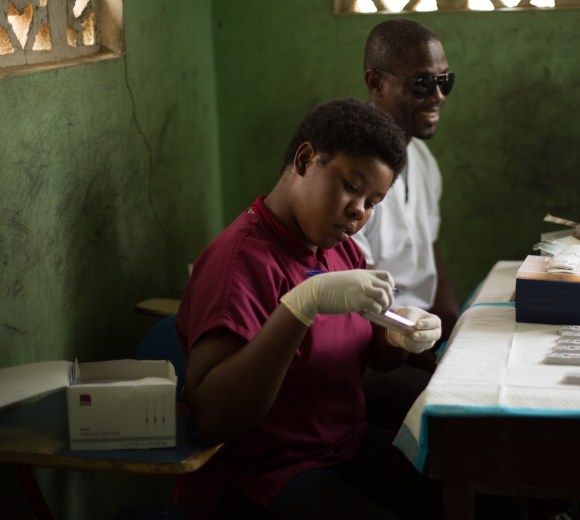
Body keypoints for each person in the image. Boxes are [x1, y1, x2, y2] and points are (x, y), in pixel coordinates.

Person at [174, 98, 442, 519]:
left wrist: (399, 334)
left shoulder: (339, 250)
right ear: (305, 160)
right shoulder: (238, 263)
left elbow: (373, 354)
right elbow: (214, 417)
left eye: (372, 202)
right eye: (351, 186)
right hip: (262, 475)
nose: (358, 211)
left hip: (342, 447)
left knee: (467, 483)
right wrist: (299, 307)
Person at [355, 18, 461, 428]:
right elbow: (362, 305)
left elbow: (431, 254)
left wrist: (454, 336)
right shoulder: (354, 174)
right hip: (374, 354)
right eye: (421, 84)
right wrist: (428, 356)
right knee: (459, 413)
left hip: (417, 340)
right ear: (376, 82)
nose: (438, 96)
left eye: (444, 81)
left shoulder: (421, 159)